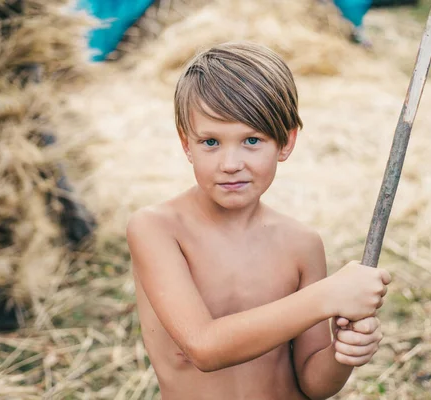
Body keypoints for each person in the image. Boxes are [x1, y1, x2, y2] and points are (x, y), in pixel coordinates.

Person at [126, 41, 392, 400]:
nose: (231, 162)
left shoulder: (301, 244)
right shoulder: (156, 229)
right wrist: (327, 296)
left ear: (285, 142)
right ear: (185, 143)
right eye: (210, 142)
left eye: (252, 140)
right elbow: (204, 348)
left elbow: (314, 384)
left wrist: (343, 353)